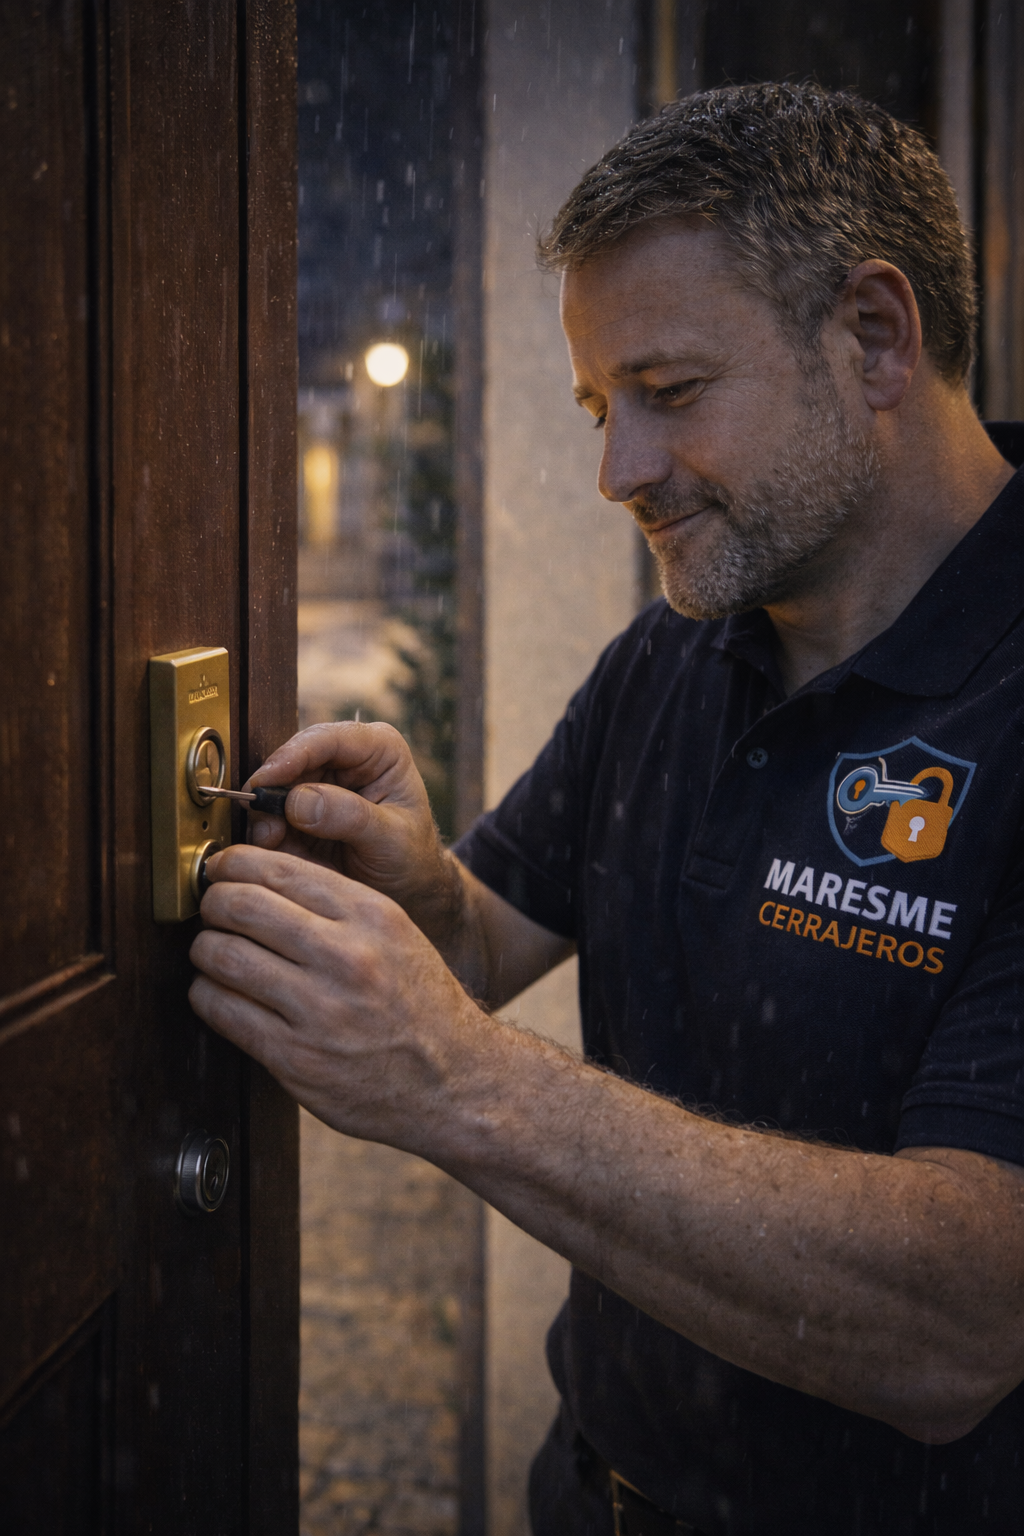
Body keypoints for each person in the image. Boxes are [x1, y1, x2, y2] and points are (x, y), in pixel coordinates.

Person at [189, 84, 1024, 1535]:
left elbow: (959, 1323)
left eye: (671, 393)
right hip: (590, 1491)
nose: (615, 473)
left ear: (875, 339)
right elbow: (482, 943)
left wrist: (458, 1082)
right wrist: (408, 888)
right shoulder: (681, 644)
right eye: (596, 409)